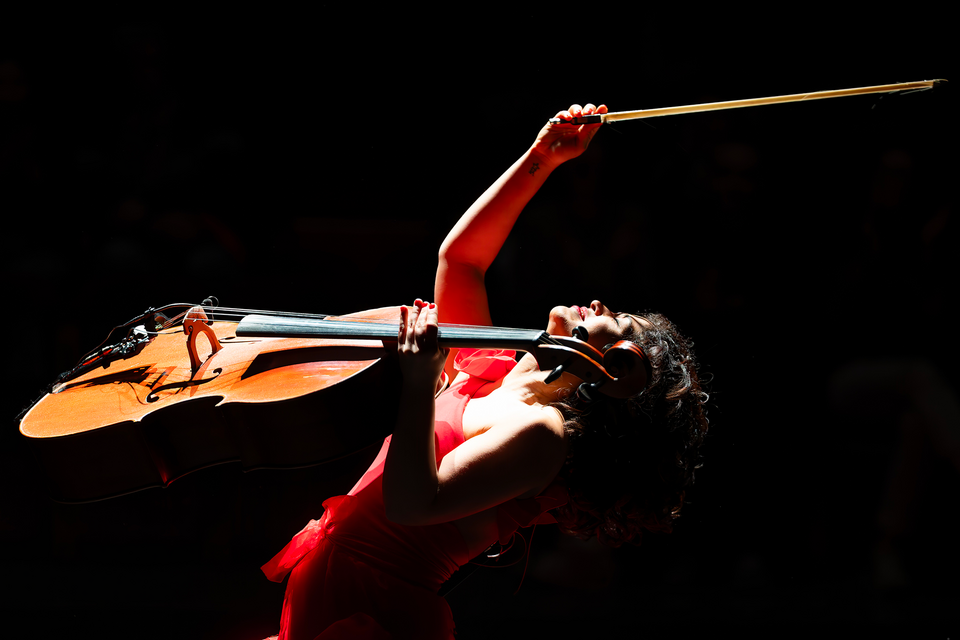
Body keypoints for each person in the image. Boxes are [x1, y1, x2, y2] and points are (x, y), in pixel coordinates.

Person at [260, 103, 710, 639]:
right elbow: (462, 261)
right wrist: (544, 157)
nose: (599, 303)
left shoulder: (543, 436)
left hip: (372, 608)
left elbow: (412, 504)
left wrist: (422, 381)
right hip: (338, 584)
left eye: (619, 322)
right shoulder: (498, 371)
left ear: (620, 372)